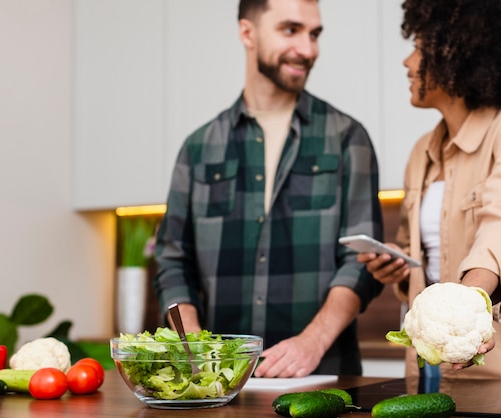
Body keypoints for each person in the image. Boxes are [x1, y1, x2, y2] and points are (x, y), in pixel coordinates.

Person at [153, 0, 384, 378]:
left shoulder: (347, 138)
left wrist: (311, 342)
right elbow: (172, 260)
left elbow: (362, 261)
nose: (308, 50)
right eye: (290, 30)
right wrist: (192, 342)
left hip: (325, 379)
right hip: (219, 383)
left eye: (314, 34)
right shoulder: (198, 148)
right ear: (248, 32)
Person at [359, 0, 501, 382]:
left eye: (419, 48)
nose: (407, 62)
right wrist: (398, 264)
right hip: (433, 379)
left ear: (457, 56)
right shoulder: (421, 153)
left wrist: (469, 301)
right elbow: (424, 260)